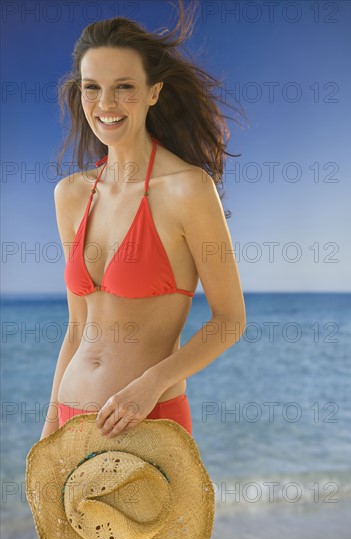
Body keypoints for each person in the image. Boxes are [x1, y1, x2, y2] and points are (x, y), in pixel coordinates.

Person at [40, 2, 246, 442]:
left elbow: (230, 320)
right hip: (72, 426)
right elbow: (78, 327)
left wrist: (149, 386)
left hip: (149, 422)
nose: (106, 104)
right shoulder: (71, 195)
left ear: (154, 92)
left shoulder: (188, 189)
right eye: (92, 87)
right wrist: (50, 428)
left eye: (124, 87)